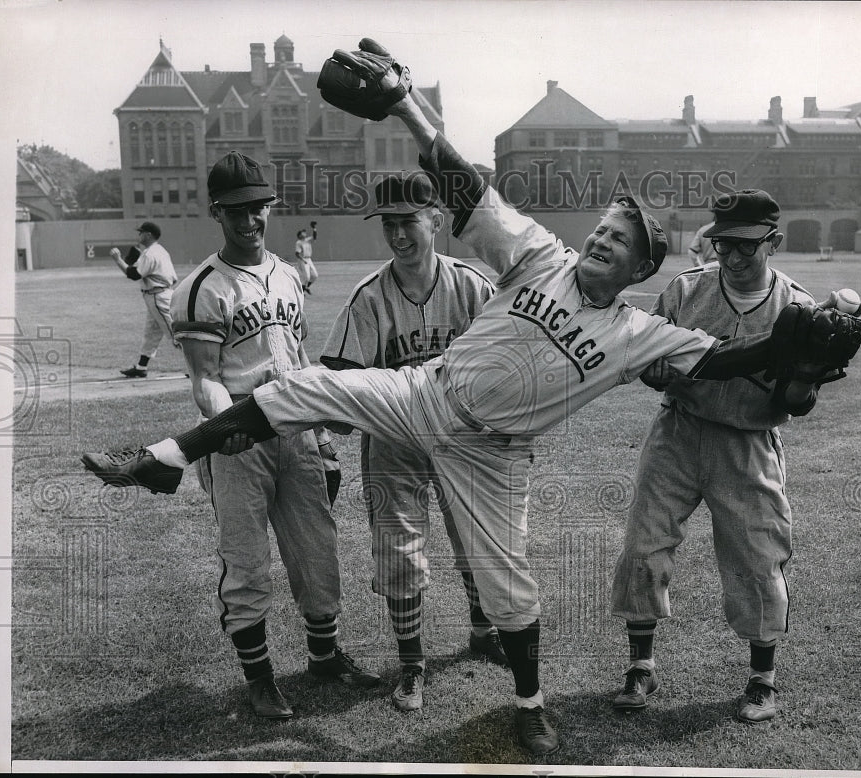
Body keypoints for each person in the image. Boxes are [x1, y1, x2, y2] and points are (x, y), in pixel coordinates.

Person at [82, 62, 794, 756]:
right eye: (602, 229)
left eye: (619, 241)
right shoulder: (541, 256)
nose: (602, 240)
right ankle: (164, 459)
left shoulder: (637, 331)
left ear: (639, 269)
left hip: (491, 452)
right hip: (425, 394)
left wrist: (796, 337)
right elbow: (464, 184)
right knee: (296, 389)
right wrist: (405, 107)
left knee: (509, 587)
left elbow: (724, 358)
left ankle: (530, 706)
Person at [167, 150, 379, 721]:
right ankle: (259, 679)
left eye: (257, 206)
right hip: (240, 439)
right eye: (235, 209)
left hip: (297, 433)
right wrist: (223, 428)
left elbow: (299, 359)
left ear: (270, 206)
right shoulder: (202, 286)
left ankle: (324, 657)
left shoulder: (286, 274)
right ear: (216, 211)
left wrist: (321, 433)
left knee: (317, 550)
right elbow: (205, 377)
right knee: (247, 561)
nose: (249, 219)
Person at [610, 189, 822, 723]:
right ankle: (640, 666)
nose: (732, 256)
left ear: (773, 242)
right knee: (643, 546)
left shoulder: (798, 307)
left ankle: (761, 679)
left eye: (746, 245)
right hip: (678, 431)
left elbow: (798, 403)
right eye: (724, 243)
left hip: (748, 441)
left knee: (757, 557)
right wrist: (661, 370)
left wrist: (806, 378)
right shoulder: (686, 290)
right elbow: (647, 365)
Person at [320, 173, 503, 713]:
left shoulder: (471, 286)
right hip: (395, 438)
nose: (398, 235)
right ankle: (411, 663)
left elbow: (507, 363)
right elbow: (342, 376)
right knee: (398, 550)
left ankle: (483, 631)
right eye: (389, 224)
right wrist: (334, 419)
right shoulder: (369, 296)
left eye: (409, 222)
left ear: (437, 221)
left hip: (462, 435)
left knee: (477, 539)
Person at [109, 221, 179, 378]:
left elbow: (133, 274)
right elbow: (173, 279)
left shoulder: (149, 254)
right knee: (151, 333)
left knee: (174, 332)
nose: (139, 235)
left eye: (141, 232)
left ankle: (196, 367)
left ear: (148, 235)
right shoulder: (160, 250)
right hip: (161, 294)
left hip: (158, 297)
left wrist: (118, 259)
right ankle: (141, 367)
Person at [295, 222, 320, 294]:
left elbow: (314, 237)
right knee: (307, 277)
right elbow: (297, 254)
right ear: (299, 235)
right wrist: (303, 260)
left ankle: (306, 287)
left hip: (309, 259)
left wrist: (314, 228)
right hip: (302, 259)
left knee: (315, 275)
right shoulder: (299, 242)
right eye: (302, 232)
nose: (304, 233)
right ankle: (301, 291)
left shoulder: (308, 240)